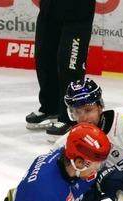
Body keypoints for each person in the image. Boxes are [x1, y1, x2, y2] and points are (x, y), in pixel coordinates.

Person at [25, 0, 95, 139]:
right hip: (49, 9)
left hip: (77, 13)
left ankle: (70, 117)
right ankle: (50, 108)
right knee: (44, 58)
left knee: (70, 66)